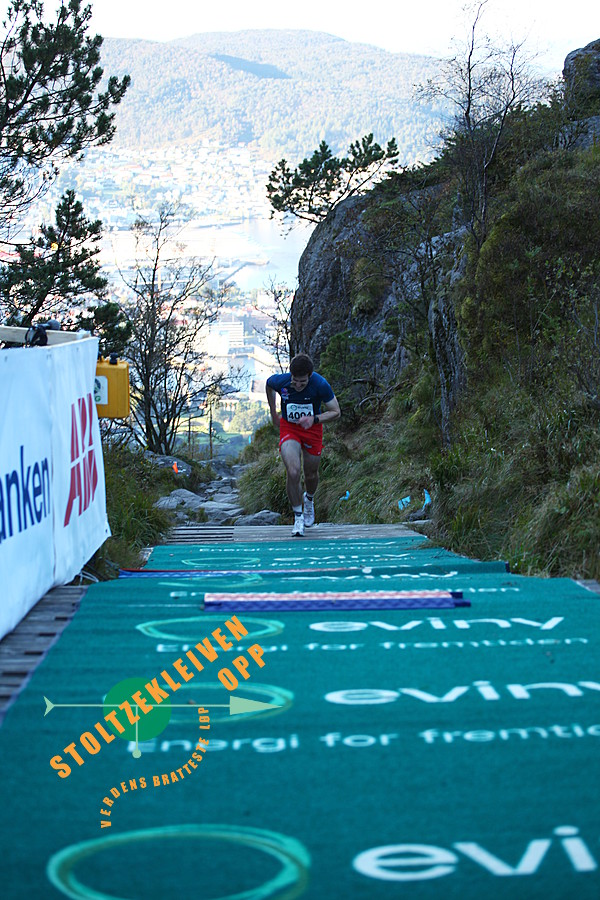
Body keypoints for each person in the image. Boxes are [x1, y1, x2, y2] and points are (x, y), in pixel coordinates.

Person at [266, 353, 340, 536]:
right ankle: (298, 517)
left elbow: (336, 412)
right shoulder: (281, 381)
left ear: (310, 376)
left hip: (312, 429)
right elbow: (269, 385)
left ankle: (309, 499)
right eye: (295, 381)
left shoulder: (320, 384)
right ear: (290, 375)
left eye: (303, 382)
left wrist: (314, 419)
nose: (298, 385)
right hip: (289, 428)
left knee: (311, 474)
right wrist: (274, 413)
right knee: (293, 471)